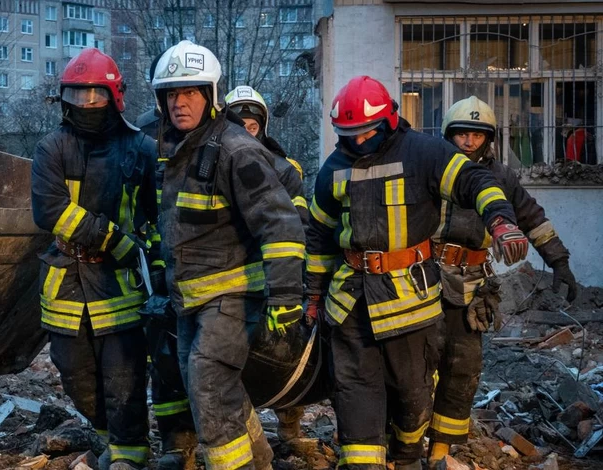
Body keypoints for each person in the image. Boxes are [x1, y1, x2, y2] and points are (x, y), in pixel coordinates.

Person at [304, 76, 529, 470]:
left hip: (408, 301)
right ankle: (363, 463)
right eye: (349, 134)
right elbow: (320, 239)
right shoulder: (333, 169)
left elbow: (475, 180)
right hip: (351, 300)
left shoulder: (424, 153)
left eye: (367, 132)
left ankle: (406, 455)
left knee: (412, 394)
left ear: (390, 121)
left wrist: (501, 222)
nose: (357, 142)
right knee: (355, 389)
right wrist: (313, 297)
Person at [152, 40, 306, 470]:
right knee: (208, 383)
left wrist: (285, 297)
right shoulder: (178, 151)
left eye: (190, 93)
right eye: (171, 94)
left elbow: (281, 225)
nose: (179, 103)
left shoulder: (236, 150)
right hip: (191, 299)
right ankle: (259, 459)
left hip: (234, 295)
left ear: (212, 96)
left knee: (208, 385)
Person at [427, 96, 578, 466]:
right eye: (461, 134)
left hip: (470, 285)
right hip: (425, 277)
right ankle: (403, 440)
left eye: (477, 136)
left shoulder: (502, 177)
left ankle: (440, 451)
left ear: (489, 139)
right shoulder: (430, 166)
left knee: (462, 365)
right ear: (448, 135)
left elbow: (533, 219)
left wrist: (560, 262)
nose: (468, 142)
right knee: (414, 362)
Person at [31, 48, 157, 470]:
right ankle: (108, 439)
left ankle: (129, 452)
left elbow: (159, 214)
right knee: (74, 374)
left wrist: (147, 255)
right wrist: (113, 238)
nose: (85, 105)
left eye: (94, 96)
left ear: (113, 96)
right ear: (64, 98)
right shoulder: (51, 147)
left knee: (124, 375)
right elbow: (50, 211)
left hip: (119, 284)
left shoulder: (142, 149)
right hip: (66, 279)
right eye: (77, 96)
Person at [225, 84, 313, 445]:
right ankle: (242, 431)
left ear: (263, 125)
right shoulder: (213, 162)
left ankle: (289, 423)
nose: (246, 130)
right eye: (238, 123)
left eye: (252, 124)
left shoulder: (286, 168)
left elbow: (299, 221)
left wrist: (294, 274)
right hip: (233, 274)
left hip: (276, 272)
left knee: (288, 347)